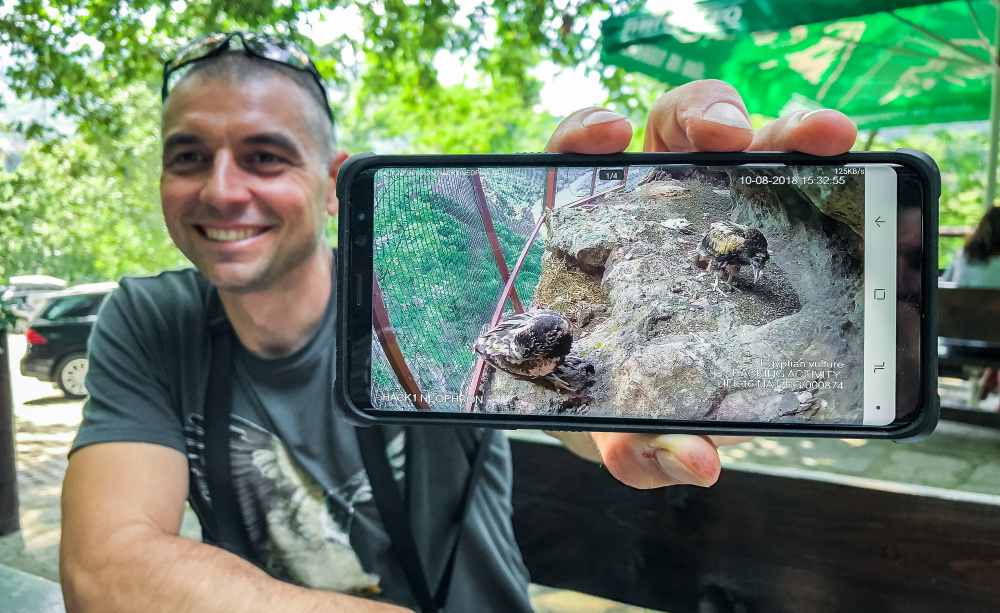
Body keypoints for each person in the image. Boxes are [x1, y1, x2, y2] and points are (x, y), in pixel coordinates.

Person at [58, 32, 858, 612]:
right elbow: (104, 567)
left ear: (334, 181)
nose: (223, 191)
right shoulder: (150, 317)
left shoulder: (423, 311)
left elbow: (573, 415)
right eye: (188, 156)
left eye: (266, 156)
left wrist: (638, 400)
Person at [940, 206, 1000, 400]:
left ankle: (991, 374)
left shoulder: (963, 258)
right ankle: (992, 374)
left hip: (957, 344)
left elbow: (942, 289)